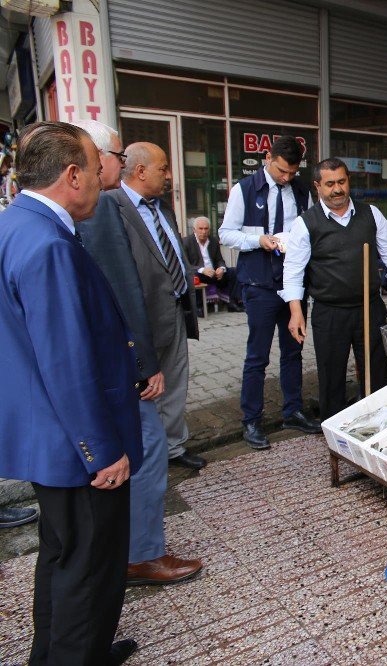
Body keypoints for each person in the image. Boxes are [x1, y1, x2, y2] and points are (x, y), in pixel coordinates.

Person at [0, 121, 140, 665]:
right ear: (73, 173)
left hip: (46, 436)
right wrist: (101, 452)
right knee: (88, 567)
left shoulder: (15, 224)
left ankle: (57, 655)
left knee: (61, 557)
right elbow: (67, 363)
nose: (107, 180)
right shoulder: (49, 243)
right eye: (97, 167)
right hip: (75, 445)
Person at [74, 120, 203, 586]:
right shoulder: (105, 209)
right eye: (105, 159)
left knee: (154, 438)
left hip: (160, 330)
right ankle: (142, 554)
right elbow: (125, 290)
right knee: (145, 448)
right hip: (131, 350)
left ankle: (132, 547)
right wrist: (143, 363)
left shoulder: (153, 207)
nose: (168, 176)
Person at [284, 158, 387, 419]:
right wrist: (295, 311)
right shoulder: (305, 223)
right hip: (329, 312)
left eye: (341, 182)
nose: (337, 189)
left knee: (376, 370)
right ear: (318, 186)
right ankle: (335, 430)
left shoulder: (371, 214)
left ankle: (380, 422)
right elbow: (293, 270)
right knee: (331, 373)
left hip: (369, 307)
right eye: (330, 184)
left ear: (348, 181)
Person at [220, 135, 321, 450]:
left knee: (293, 352)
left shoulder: (303, 191)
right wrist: (258, 241)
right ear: (267, 157)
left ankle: (293, 411)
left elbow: (309, 232)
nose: (286, 178)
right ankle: (252, 420)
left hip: (294, 286)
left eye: (291, 173)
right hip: (260, 285)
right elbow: (226, 233)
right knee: (257, 356)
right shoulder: (244, 189)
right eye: (281, 171)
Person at [112, 143, 206, 471]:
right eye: (163, 168)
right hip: (141, 319)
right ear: (140, 171)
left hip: (177, 310)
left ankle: (174, 447)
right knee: (145, 390)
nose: (169, 175)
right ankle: (147, 454)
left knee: (175, 383)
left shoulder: (162, 207)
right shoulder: (111, 206)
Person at [183, 216, 242, 312]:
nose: (203, 231)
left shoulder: (213, 241)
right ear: (194, 230)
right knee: (193, 276)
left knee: (233, 272)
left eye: (206, 229)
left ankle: (232, 303)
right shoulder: (186, 242)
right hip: (199, 273)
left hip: (214, 273)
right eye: (200, 229)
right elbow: (186, 264)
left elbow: (219, 259)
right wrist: (202, 270)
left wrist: (221, 268)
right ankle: (199, 306)